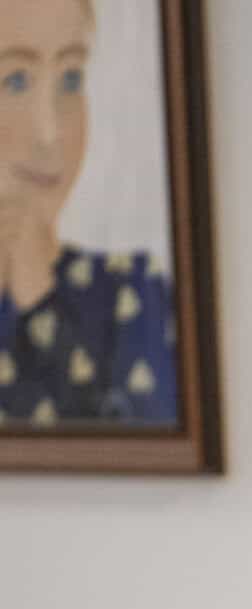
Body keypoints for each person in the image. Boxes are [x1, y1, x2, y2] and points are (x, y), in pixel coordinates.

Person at [0, 0, 177, 428]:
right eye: (15, 81)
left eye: (71, 78)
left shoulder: (134, 291)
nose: (50, 132)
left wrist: (35, 291)